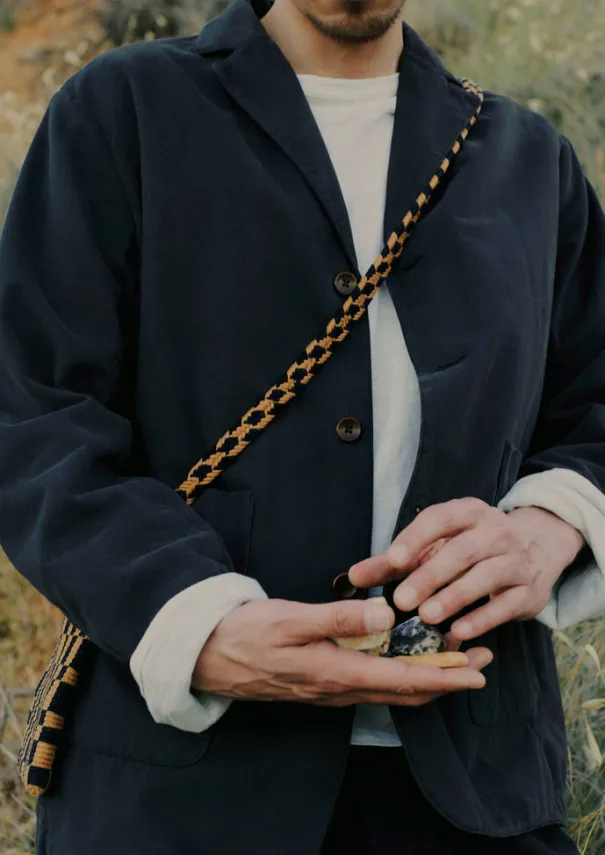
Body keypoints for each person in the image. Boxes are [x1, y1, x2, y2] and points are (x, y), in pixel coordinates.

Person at [1, 0, 605, 851]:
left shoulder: (528, 157)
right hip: (178, 796)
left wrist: (550, 524)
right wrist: (194, 623)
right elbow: (33, 410)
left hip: (478, 791)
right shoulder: (123, 108)